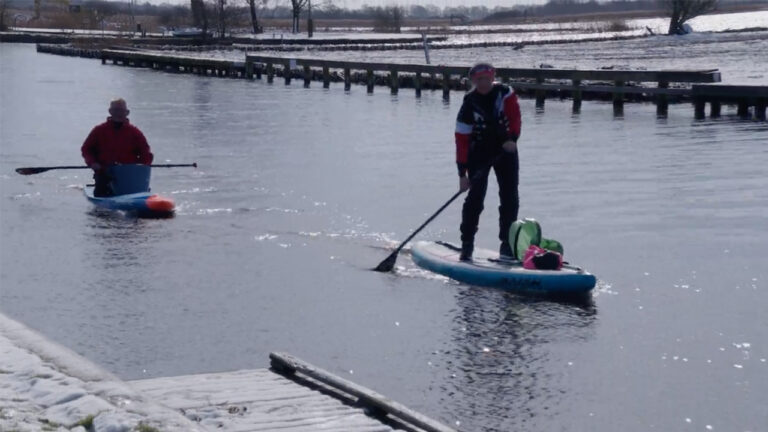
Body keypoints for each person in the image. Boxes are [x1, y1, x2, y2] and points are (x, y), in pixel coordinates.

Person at [454, 63, 522, 261]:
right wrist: (462, 174)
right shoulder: (469, 102)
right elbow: (461, 139)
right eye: (478, 80)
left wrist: (512, 140)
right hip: (479, 153)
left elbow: (515, 118)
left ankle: (507, 245)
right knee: (475, 198)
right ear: (473, 81)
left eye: (486, 79)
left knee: (509, 197)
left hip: (505, 150)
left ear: (492, 78)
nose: (483, 83)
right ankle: (467, 244)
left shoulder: (506, 94)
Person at [81, 98, 153, 197]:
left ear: (127, 113)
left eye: (121, 110)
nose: (118, 113)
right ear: (110, 112)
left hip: (129, 175)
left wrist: (142, 169)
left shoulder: (135, 132)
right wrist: (93, 163)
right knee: (101, 190)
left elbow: (146, 154)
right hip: (104, 173)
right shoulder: (99, 130)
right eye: (115, 110)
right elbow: (86, 149)